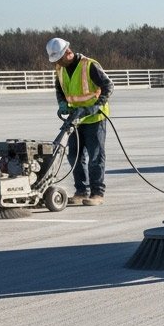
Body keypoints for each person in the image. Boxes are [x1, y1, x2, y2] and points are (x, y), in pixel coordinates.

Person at [48, 37, 113, 206]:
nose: (58, 63)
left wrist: (97, 105)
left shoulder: (89, 65)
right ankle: (81, 191)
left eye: (59, 59)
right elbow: (59, 89)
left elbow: (108, 85)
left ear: (68, 53)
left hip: (94, 118)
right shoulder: (60, 69)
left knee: (95, 156)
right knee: (74, 156)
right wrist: (62, 103)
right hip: (75, 119)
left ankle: (97, 193)